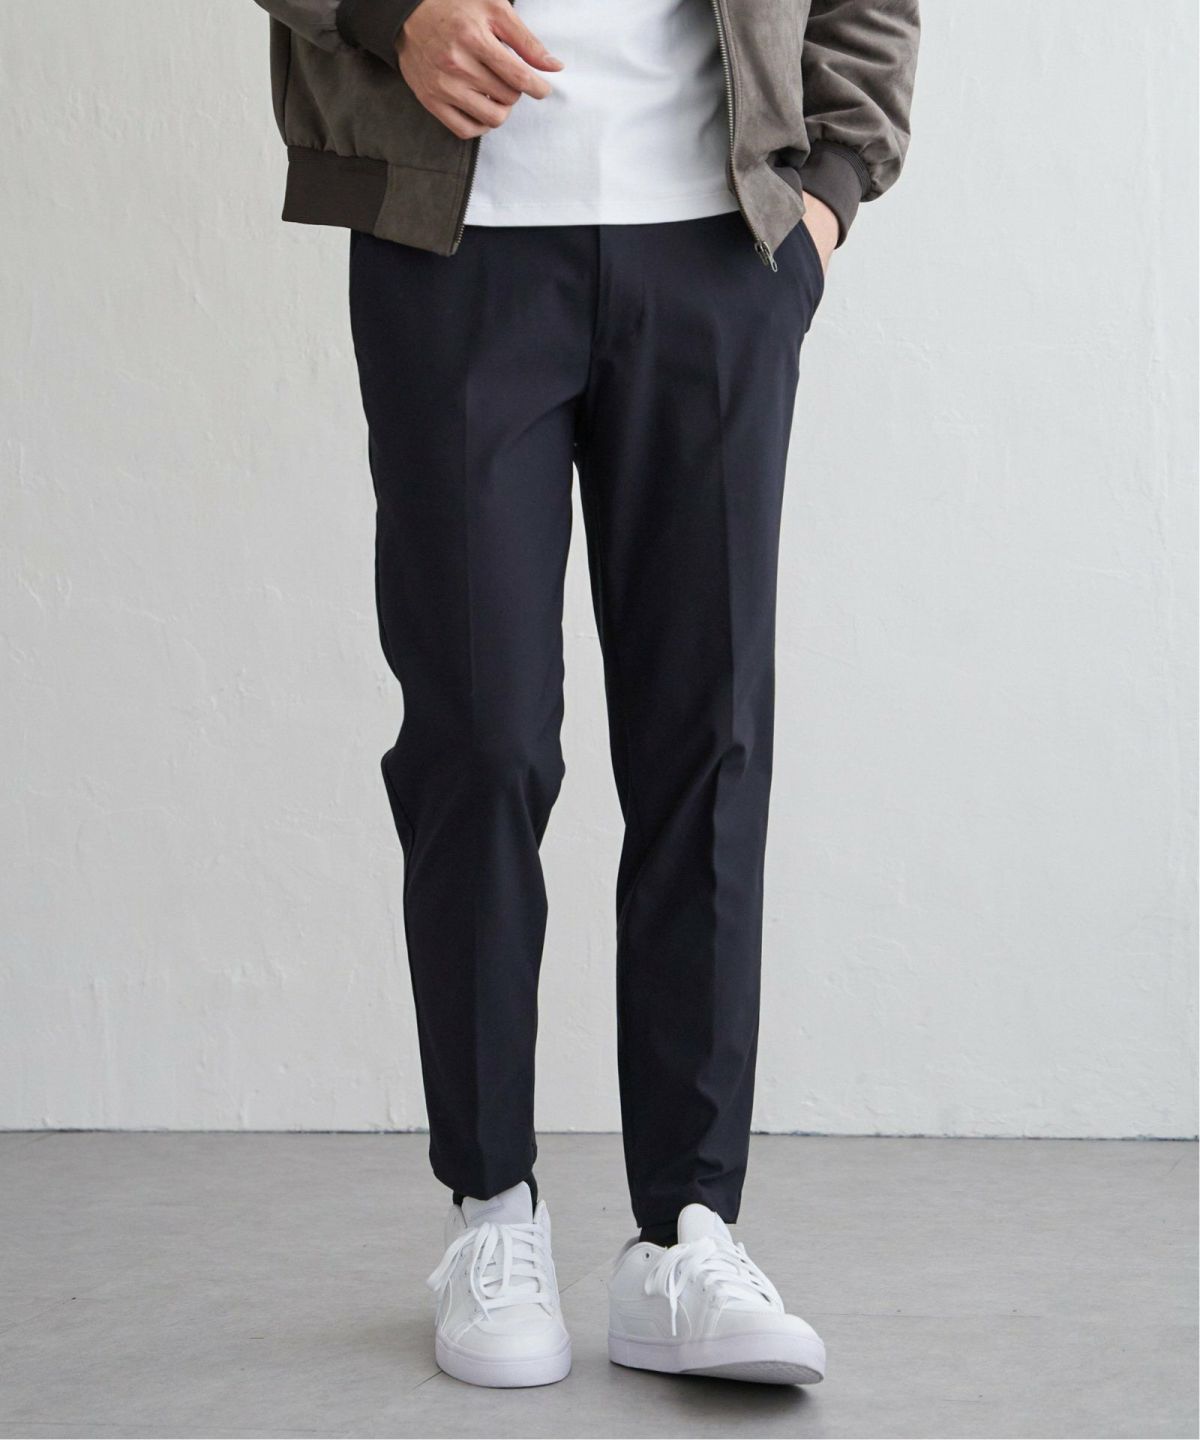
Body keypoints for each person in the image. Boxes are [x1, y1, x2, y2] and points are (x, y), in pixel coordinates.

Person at [255, 0, 918, 1390]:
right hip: (453, 243)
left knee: (708, 743)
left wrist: (828, 194)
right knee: (479, 739)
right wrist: (388, 17)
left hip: (724, 244)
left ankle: (689, 1232)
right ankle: (490, 1211)